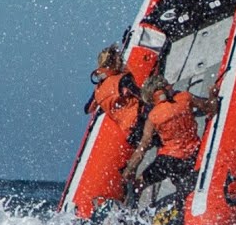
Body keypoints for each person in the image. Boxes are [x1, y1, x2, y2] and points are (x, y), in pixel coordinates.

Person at [121, 74, 220, 205]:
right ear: (163, 89)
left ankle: (130, 215)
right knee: (183, 183)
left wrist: (129, 169)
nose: (172, 87)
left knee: (139, 184)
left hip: (168, 162)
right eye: (168, 85)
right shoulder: (185, 97)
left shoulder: (153, 116)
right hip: (192, 155)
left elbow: (143, 146)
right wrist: (213, 95)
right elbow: (211, 109)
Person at [83, 44, 142, 143]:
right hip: (141, 118)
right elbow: (143, 97)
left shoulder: (98, 91)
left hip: (129, 132)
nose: (122, 61)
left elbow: (87, 109)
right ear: (114, 62)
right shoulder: (122, 79)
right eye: (120, 58)